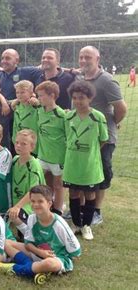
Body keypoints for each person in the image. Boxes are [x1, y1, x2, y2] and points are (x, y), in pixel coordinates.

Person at [77, 46, 127, 225]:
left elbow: (121, 108)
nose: (83, 60)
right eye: (81, 57)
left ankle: (97, 211)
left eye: (88, 57)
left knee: (101, 172)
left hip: (104, 138)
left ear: (97, 58)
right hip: (83, 136)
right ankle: (82, 208)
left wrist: (112, 123)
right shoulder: (80, 77)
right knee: (83, 171)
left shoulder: (106, 80)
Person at [0, 185, 81, 284]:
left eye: (40, 201)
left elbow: (76, 251)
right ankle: (32, 266)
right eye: (33, 201)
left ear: (49, 203)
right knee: (6, 243)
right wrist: (40, 252)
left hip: (55, 258)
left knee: (50, 263)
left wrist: (55, 257)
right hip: (37, 253)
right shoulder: (32, 218)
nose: (35, 204)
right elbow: (28, 244)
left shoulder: (59, 224)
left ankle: (14, 268)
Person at [63, 81, 108, 240]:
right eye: (74, 98)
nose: (77, 101)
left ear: (90, 98)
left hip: (89, 165)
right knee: (73, 192)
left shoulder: (98, 117)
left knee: (89, 194)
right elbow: (67, 137)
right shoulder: (68, 116)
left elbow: (103, 139)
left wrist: (91, 153)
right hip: (72, 164)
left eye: (81, 98)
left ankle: (87, 225)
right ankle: (76, 223)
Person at [35, 81, 66, 215]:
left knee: (58, 185)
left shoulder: (61, 114)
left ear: (52, 95)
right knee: (44, 183)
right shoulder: (39, 110)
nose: (39, 98)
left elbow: (68, 135)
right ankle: (48, 205)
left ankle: (58, 210)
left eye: (41, 95)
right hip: (42, 155)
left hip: (57, 157)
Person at [8, 130, 45, 234]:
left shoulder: (34, 165)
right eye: (17, 142)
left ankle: (32, 236)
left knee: (15, 215)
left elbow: (33, 192)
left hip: (31, 204)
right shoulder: (15, 160)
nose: (19, 146)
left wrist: (17, 207)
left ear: (32, 147)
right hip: (17, 202)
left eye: (24, 144)